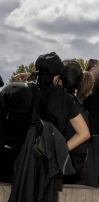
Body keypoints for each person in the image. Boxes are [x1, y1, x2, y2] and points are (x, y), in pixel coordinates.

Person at [0, 52, 90, 183]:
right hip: (43, 172)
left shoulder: (14, 89)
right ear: (57, 76)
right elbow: (84, 133)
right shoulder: (64, 98)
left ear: (35, 69)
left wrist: (13, 86)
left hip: (10, 169)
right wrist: (56, 152)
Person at [59, 60, 94, 184]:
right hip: (73, 169)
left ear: (59, 79)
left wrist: (58, 152)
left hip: (67, 171)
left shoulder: (66, 103)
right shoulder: (76, 104)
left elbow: (84, 134)